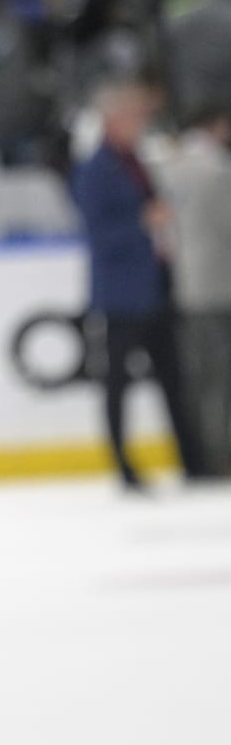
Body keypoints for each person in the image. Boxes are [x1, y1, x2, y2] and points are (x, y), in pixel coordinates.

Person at [70, 80, 205, 491]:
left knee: (175, 381)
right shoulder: (95, 171)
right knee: (118, 386)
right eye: (134, 115)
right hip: (121, 296)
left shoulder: (137, 162)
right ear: (112, 120)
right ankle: (125, 468)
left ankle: (193, 462)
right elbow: (99, 235)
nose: (141, 123)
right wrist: (143, 223)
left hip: (156, 289)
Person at [156, 110, 231, 477]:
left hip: (185, 285)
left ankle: (200, 455)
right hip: (219, 285)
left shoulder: (168, 167)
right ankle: (221, 455)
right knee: (220, 376)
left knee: (198, 376)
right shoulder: (216, 168)